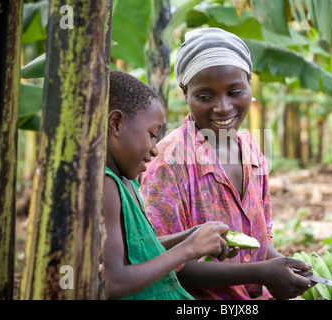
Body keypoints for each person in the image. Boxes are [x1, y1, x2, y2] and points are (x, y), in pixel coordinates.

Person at [139, 27, 313, 300]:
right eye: (205, 97)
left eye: (235, 91)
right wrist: (262, 273)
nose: (223, 107)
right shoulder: (167, 162)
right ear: (185, 92)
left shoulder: (251, 150)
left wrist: (286, 268)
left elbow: (256, 239)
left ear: (249, 84)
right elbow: (165, 264)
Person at [103, 69, 234, 300]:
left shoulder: (127, 182)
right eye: (152, 135)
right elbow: (113, 283)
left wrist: (190, 235)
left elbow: (140, 250)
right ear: (116, 124)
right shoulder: (105, 186)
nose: (154, 149)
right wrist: (189, 249)